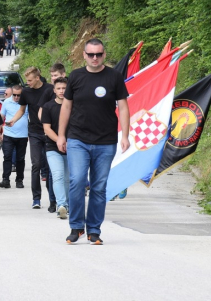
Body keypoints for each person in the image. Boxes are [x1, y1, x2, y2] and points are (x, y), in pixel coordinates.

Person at [57, 38, 130, 245]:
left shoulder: (114, 77)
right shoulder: (76, 77)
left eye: (99, 54)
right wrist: (61, 134)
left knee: (99, 186)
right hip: (78, 139)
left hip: (105, 141)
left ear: (104, 55)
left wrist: (124, 135)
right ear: (84, 55)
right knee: (77, 180)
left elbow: (123, 107)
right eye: (91, 54)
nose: (95, 58)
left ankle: (94, 230)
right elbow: (66, 107)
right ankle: (76, 227)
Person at [7, 67, 54, 209]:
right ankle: (36, 198)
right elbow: (22, 109)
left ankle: (53, 198)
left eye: (30, 80)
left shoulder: (50, 89)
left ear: (37, 78)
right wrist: (13, 120)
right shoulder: (26, 92)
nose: (27, 83)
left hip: (49, 131)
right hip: (34, 132)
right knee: (36, 165)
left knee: (51, 166)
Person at [41, 77, 70, 220]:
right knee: (57, 175)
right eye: (58, 88)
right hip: (53, 147)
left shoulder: (74, 106)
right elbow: (46, 128)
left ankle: (68, 204)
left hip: (72, 147)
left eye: (64, 88)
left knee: (68, 178)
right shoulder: (48, 107)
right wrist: (59, 139)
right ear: (54, 90)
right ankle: (61, 205)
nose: (61, 91)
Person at [0, 85, 28, 188]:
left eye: (18, 95)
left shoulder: (25, 103)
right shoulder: (7, 102)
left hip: (22, 135)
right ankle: (5, 179)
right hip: (8, 133)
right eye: (14, 95)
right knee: (7, 156)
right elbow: (1, 117)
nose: (16, 97)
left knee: (20, 158)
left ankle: (19, 180)